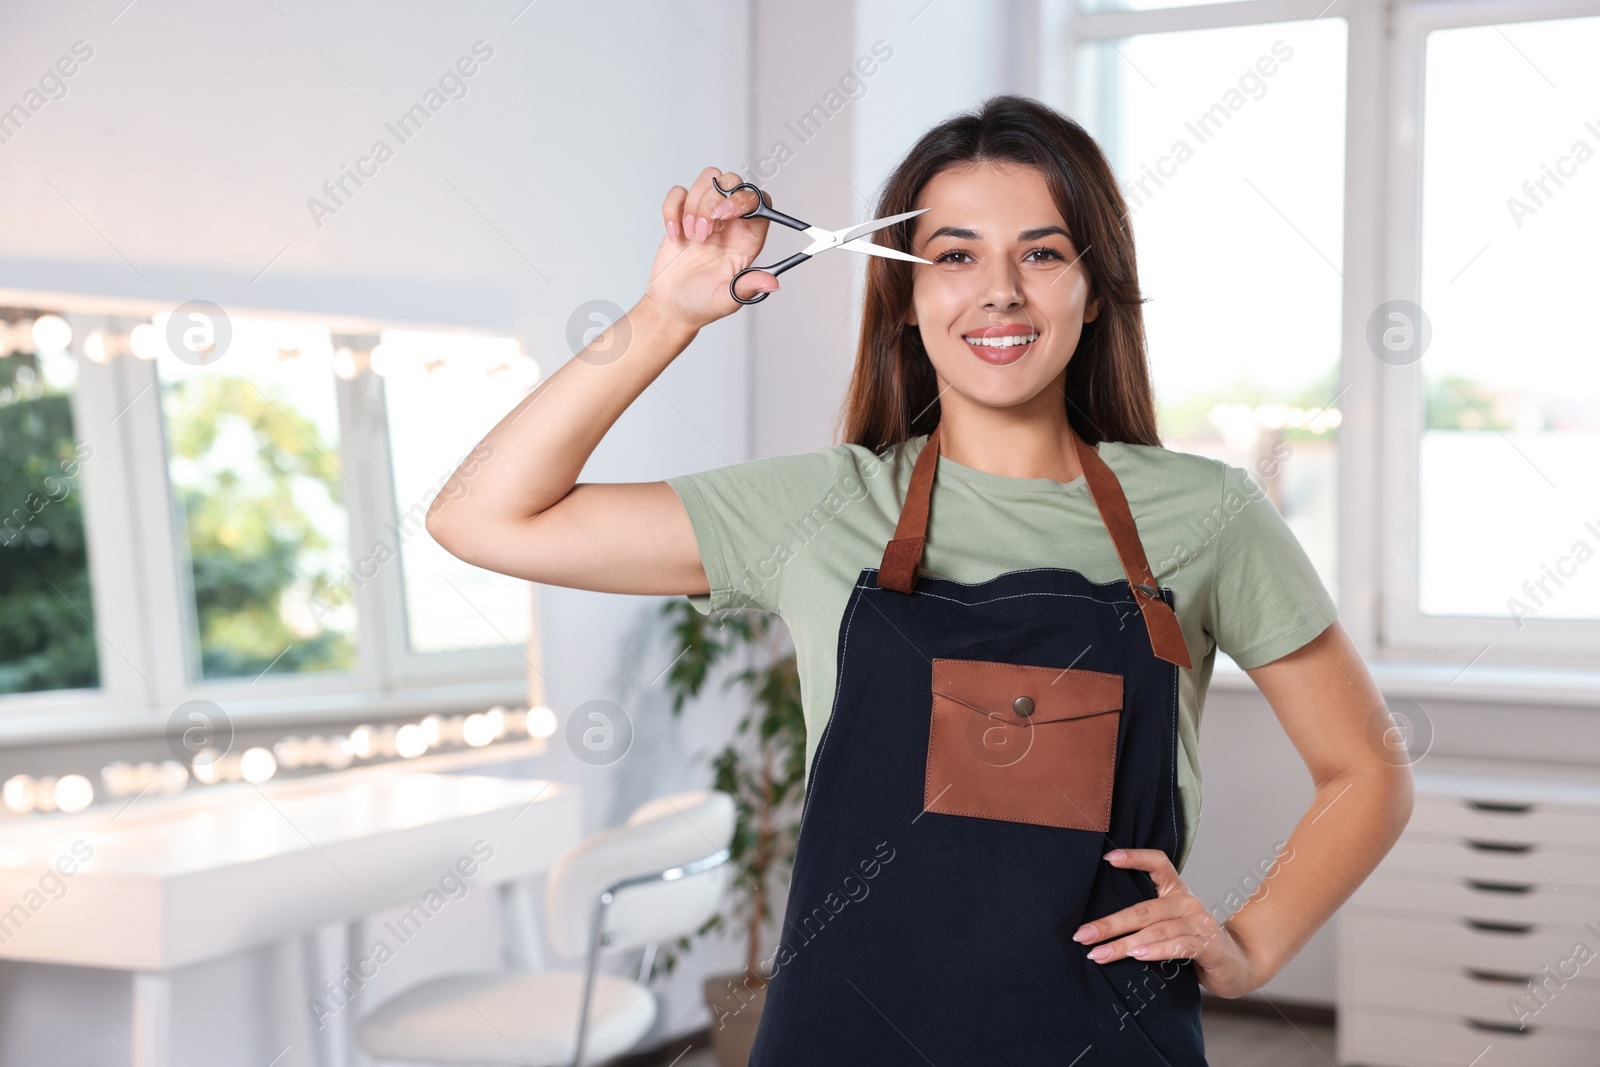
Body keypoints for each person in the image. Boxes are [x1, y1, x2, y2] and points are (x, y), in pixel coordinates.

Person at [427, 94, 1413, 1065]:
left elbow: (1367, 765)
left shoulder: (1204, 513)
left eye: (1040, 251)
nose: (998, 290)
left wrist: (1248, 947)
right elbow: (478, 515)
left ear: (1094, 287)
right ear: (903, 292)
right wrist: (661, 315)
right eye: (953, 254)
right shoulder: (816, 508)